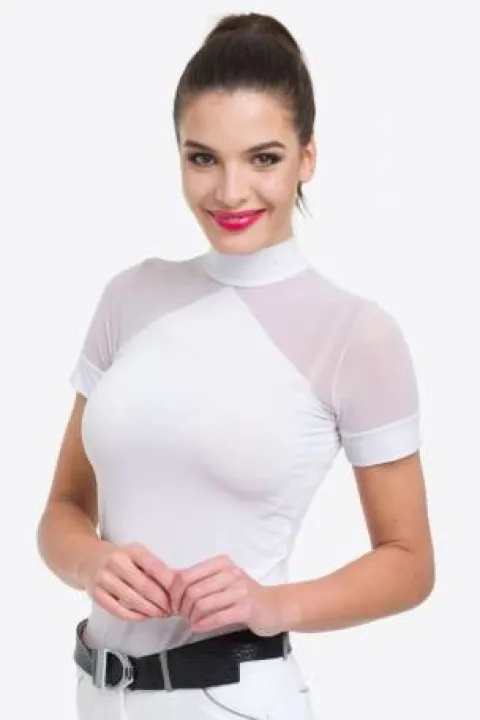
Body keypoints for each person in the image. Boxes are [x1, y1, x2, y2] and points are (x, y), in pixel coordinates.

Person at [37, 11, 435, 720]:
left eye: (263, 158)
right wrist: (90, 563)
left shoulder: (356, 334)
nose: (228, 192)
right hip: (95, 697)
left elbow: (410, 562)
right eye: (203, 158)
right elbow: (63, 509)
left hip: (236, 701)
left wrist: (273, 603)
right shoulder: (129, 296)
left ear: (307, 157)